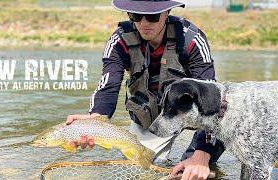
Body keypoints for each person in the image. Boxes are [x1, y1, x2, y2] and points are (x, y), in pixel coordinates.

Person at [66, 0, 225, 179]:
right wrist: (96, 119)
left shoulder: (192, 41)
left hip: (193, 115)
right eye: (135, 16)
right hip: (151, 117)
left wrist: (201, 154)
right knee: (142, 168)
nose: (143, 23)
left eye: (152, 16)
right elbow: (108, 86)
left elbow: (214, 101)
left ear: (167, 12)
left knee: (195, 169)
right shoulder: (119, 42)